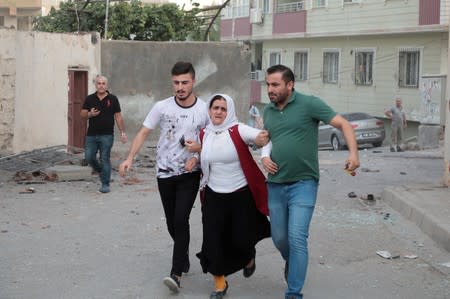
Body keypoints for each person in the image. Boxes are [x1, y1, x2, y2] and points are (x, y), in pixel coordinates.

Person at [260, 65, 360, 299]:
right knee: (280, 239)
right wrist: (264, 156)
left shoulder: (309, 104)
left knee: (296, 237)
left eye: (275, 85)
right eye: (268, 85)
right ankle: (292, 262)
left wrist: (353, 154)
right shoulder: (268, 112)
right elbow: (267, 139)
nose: (270, 89)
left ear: (290, 85)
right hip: (275, 183)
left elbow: (343, 124)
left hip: (304, 184)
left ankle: (293, 293)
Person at [118, 61, 208, 293]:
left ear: (193, 81)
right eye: (176, 82)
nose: (180, 87)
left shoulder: (204, 109)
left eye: (184, 82)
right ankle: (183, 255)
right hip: (164, 173)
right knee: (172, 223)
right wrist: (129, 158)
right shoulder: (162, 107)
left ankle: (175, 273)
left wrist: (197, 157)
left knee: (180, 220)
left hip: (189, 173)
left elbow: (212, 139)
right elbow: (144, 132)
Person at [196, 94, 271, 299]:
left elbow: (261, 137)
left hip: (240, 195)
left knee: (241, 239)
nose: (218, 111)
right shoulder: (204, 133)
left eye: (223, 108)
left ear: (229, 111)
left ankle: (249, 258)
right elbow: (204, 155)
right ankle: (220, 284)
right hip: (213, 195)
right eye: (215, 108)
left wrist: (263, 149)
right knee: (213, 242)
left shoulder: (238, 129)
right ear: (209, 110)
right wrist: (194, 158)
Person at [80, 75, 128, 194]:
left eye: (103, 83)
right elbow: (82, 114)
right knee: (89, 157)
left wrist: (122, 132)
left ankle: (105, 184)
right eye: (99, 83)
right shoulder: (89, 99)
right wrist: (90, 114)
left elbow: (118, 117)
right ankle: (102, 171)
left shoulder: (113, 99)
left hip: (107, 135)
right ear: (95, 85)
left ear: (106, 85)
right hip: (91, 135)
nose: (101, 85)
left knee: (104, 158)